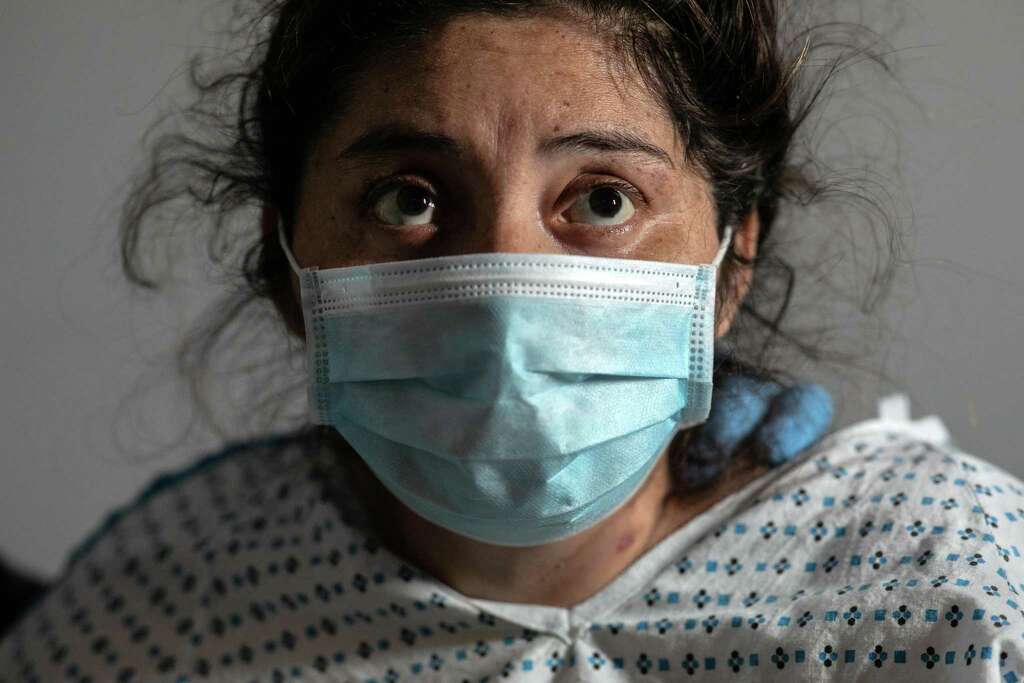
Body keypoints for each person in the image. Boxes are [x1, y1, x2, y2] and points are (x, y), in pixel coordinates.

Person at [2, 1, 1021, 681]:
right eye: (409, 198)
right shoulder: (170, 609)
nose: (500, 288)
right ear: (285, 261)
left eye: (603, 197)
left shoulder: (944, 590)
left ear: (730, 259)